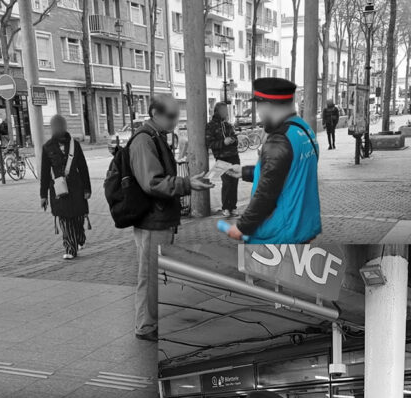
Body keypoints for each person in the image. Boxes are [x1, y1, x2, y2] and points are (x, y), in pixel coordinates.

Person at [129, 95, 211, 342]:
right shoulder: (144, 141)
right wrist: (187, 183)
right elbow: (152, 182)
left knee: (153, 273)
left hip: (159, 217)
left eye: (177, 116)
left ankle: (150, 322)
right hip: (153, 219)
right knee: (149, 274)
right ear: (155, 113)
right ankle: (145, 326)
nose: (175, 121)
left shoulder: (156, 138)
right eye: (171, 116)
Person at [224, 78, 321, 243]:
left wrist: (241, 227)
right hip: (303, 227)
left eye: (259, 106)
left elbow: (266, 195)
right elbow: (287, 172)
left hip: (279, 235)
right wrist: (245, 172)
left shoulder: (279, 140)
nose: (260, 114)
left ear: (267, 105)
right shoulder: (304, 130)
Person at [40, 114, 92, 260]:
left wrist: (87, 189)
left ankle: (80, 237)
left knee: (78, 218)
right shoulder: (47, 147)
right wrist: (43, 196)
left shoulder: (74, 144)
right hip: (59, 189)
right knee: (65, 219)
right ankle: (70, 248)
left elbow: (83, 167)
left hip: (76, 187)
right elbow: (44, 173)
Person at [205, 101, 241, 217]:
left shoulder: (228, 125)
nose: (226, 112)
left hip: (234, 157)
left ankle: (233, 207)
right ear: (217, 111)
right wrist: (223, 142)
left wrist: (233, 140)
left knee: (234, 182)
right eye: (224, 110)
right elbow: (209, 143)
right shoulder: (210, 126)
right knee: (227, 183)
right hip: (221, 158)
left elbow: (236, 139)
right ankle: (225, 207)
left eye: (227, 110)